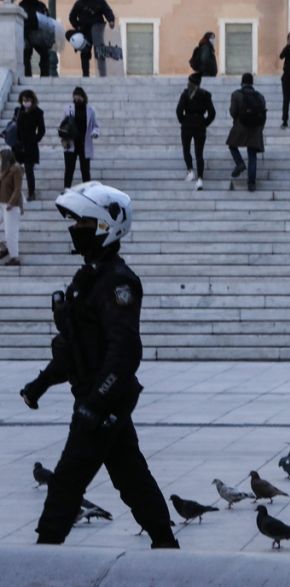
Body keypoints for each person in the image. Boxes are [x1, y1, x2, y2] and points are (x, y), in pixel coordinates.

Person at [18, 182, 178, 549]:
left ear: (106, 229)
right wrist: (40, 384)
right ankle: (166, 544)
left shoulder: (117, 282)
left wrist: (96, 403)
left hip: (103, 402)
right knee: (131, 477)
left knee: (67, 482)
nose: (74, 231)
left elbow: (124, 352)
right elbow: (75, 347)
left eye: (83, 225)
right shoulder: (87, 279)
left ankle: (42, 556)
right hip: (97, 399)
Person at [174, 73, 216, 191]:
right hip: (200, 126)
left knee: (186, 149)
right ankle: (200, 179)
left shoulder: (186, 94)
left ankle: (190, 170)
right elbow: (212, 113)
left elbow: (178, 111)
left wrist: (184, 121)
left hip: (187, 125)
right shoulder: (205, 95)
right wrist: (204, 123)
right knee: (199, 153)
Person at [227, 73, 266, 192]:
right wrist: (260, 129)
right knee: (252, 155)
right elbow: (263, 115)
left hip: (241, 127)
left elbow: (233, 113)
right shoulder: (260, 96)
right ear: (252, 83)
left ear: (242, 82)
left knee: (232, 145)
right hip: (255, 128)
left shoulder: (236, 94)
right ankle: (251, 184)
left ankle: (239, 163)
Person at [68, 0, 115, 78]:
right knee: (85, 53)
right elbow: (72, 16)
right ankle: (85, 75)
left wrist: (111, 20)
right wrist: (77, 26)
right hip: (85, 32)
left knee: (101, 53)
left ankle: (102, 75)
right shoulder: (79, 3)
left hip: (98, 31)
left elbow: (107, 11)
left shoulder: (100, 1)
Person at [62, 87, 99, 189]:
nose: (77, 99)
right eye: (75, 96)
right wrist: (64, 138)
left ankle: (88, 191)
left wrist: (95, 133)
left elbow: (95, 125)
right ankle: (66, 189)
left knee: (85, 170)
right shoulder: (68, 108)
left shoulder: (90, 110)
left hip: (84, 144)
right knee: (69, 169)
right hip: (71, 143)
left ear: (83, 97)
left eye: (79, 97)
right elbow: (63, 125)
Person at [13, 89, 45, 202]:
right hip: (18, 145)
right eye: (24, 99)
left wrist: (35, 140)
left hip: (30, 146)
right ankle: (14, 193)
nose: (26, 101)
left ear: (32, 100)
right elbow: (13, 125)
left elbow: (42, 130)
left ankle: (31, 193)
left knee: (29, 170)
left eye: (28, 99)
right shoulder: (18, 111)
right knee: (15, 170)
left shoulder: (38, 112)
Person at [0, 148, 24, 266]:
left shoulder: (16, 169)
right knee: (5, 230)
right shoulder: (4, 170)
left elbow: (17, 189)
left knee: (11, 232)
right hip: (2, 203)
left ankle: (14, 257)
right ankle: (4, 248)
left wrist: (11, 202)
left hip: (11, 206)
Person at [20, 0, 50, 78]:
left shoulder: (40, 5)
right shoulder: (20, 6)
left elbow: (46, 17)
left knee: (44, 54)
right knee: (26, 56)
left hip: (38, 33)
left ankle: (44, 76)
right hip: (25, 33)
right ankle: (27, 76)